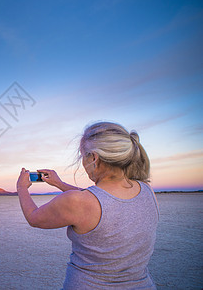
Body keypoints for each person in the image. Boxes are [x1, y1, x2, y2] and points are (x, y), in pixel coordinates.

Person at [17, 121, 159, 289]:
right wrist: (60, 184)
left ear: (94, 158)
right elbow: (104, 198)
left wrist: (21, 187)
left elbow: (34, 218)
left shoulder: (78, 202)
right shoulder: (147, 190)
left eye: (83, 155)